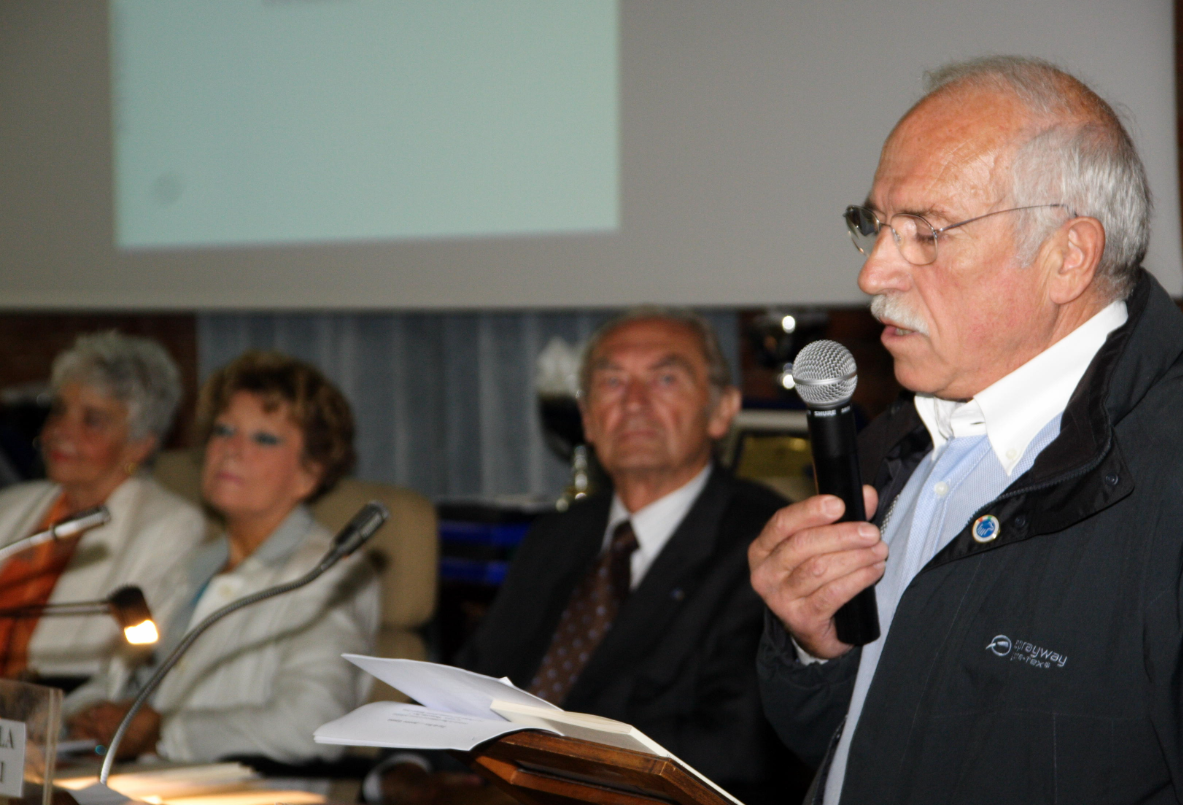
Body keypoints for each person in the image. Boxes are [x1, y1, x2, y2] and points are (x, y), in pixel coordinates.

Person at [750, 56, 1183, 804]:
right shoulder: (893, 444)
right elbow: (849, 742)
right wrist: (816, 650)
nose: (873, 274)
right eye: (875, 226)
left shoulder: (1168, 479)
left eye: (926, 231)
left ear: (1068, 257)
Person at [375, 309, 809, 805]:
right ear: (587, 417)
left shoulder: (765, 544)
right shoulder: (558, 535)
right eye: (612, 382)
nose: (634, 403)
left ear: (722, 411)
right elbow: (472, 680)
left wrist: (530, 779)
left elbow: (738, 748)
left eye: (665, 379)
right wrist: (403, 770)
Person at [67, 351, 380, 764]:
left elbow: (312, 726)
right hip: (135, 781)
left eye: (263, 439)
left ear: (310, 472)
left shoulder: (327, 575)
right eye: (223, 430)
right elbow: (114, 680)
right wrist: (82, 716)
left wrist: (163, 732)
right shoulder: (193, 566)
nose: (231, 450)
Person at [0, 332, 204, 684]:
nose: (59, 431)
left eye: (91, 420)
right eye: (59, 410)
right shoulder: (4, 506)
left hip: (47, 709)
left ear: (140, 445)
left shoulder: (169, 525)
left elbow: (123, 674)